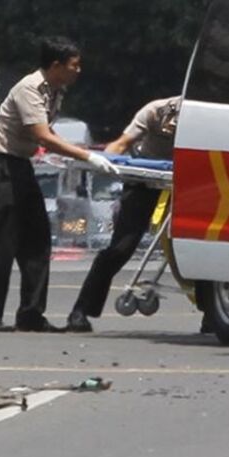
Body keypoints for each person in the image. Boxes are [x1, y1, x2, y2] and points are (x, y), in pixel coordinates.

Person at [0, 37, 119, 333]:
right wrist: (86, 155)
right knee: (4, 239)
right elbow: (42, 135)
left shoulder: (55, 90)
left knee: (38, 238)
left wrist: (71, 155)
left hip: (20, 163)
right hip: (0, 163)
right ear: (56, 66)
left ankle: (31, 314)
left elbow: (47, 133)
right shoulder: (30, 88)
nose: (78, 71)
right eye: (74, 65)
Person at [65, 96, 181, 333]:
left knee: (195, 245)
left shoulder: (204, 115)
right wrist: (104, 163)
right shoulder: (154, 111)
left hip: (188, 181)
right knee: (120, 248)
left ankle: (213, 314)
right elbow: (121, 143)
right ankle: (81, 310)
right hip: (146, 179)